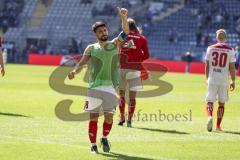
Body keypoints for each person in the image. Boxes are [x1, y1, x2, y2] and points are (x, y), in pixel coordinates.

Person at [68, 7, 129, 153]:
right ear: (95, 34)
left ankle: (104, 137)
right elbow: (82, 62)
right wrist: (74, 72)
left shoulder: (114, 44)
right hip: (94, 87)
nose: (104, 32)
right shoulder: (91, 47)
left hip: (109, 87)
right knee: (93, 118)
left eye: (105, 30)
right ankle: (93, 145)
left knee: (109, 118)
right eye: (100, 31)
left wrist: (124, 17)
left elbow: (126, 33)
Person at [118, 18, 150, 127]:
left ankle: (122, 117)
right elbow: (146, 55)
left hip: (122, 68)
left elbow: (116, 50)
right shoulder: (142, 38)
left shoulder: (122, 36)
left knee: (121, 95)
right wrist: (137, 58)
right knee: (132, 97)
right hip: (135, 69)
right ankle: (129, 120)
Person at [205, 29, 236, 132]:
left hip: (212, 78)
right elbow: (232, 67)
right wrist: (233, 80)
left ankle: (209, 116)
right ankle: (218, 126)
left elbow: (207, 65)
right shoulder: (230, 50)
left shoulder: (210, 48)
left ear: (217, 38)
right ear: (226, 38)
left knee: (210, 101)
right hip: (223, 80)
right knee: (221, 103)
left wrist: (207, 78)